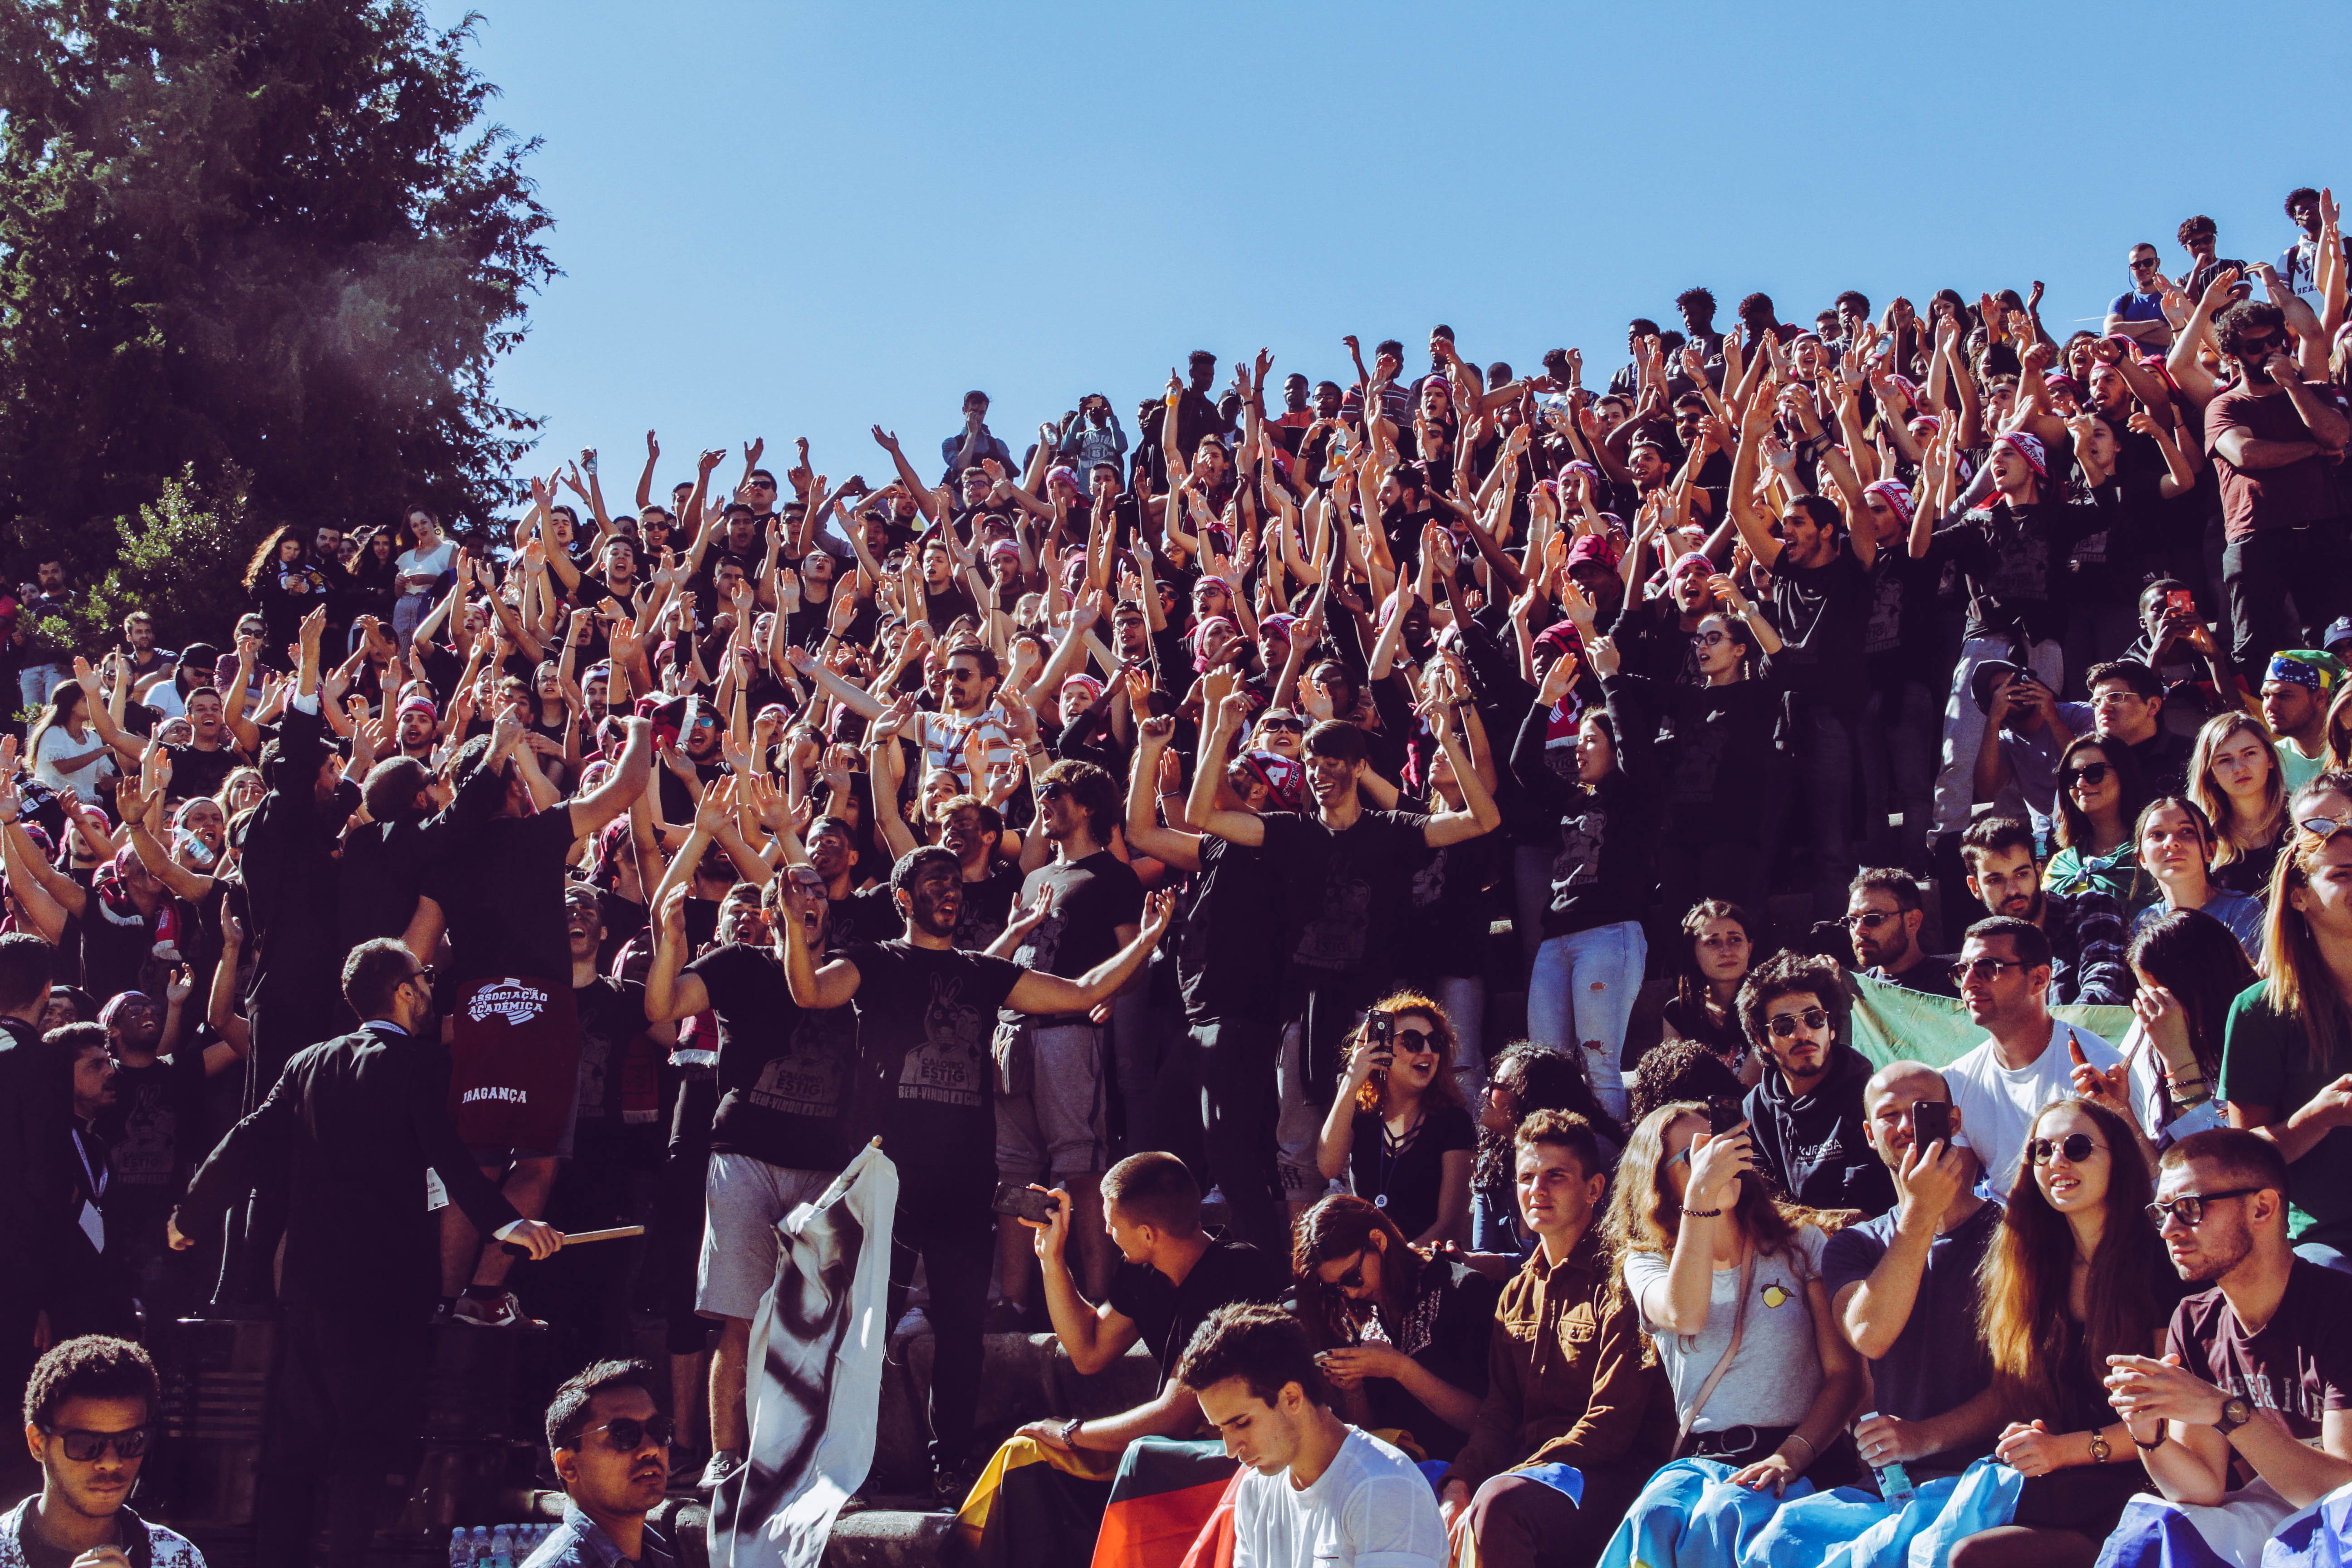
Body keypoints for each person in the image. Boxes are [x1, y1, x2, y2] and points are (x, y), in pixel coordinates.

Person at [780, 844, 1174, 1498]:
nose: (950, 892)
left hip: (965, 1184)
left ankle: (952, 1461)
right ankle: (856, 1463)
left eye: (955, 883)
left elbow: (1084, 990)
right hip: (888, 1182)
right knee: (867, 1327)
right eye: (933, 882)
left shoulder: (983, 974)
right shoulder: (876, 962)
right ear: (902, 899)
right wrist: (796, 928)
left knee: (961, 1334)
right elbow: (809, 990)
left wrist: (1151, 939)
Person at [169, 939, 564, 1568]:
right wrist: (508, 1228)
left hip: (312, 1288)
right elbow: (451, 1158)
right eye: (424, 979)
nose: (430, 989)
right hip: (388, 1293)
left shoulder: (307, 1063)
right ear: (404, 991)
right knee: (366, 1447)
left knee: (294, 1446)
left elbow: (248, 1140)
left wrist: (192, 1212)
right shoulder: (420, 1066)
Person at [642, 867, 849, 1495]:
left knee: (818, 1323)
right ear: (769, 909)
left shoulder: (849, 974)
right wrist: (672, 945)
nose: (805, 899)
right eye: (792, 891)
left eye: (817, 891)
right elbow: (661, 1007)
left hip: (825, 1167)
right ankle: (726, 1456)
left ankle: (808, 1457)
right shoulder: (740, 964)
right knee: (739, 1320)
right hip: (743, 1158)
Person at [1945, 1099, 2184, 1568]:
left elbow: (2174, 1424)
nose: (2057, 1162)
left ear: (2118, 1159)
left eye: (2077, 1147)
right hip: (2070, 1488)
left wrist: (2063, 1450)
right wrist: (2035, 1436)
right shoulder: (2035, 1264)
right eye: (2041, 1150)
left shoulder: (2160, 1261)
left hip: (2153, 1486)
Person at [1442, 1110, 1673, 1568]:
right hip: (1533, 1475)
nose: (1537, 1190)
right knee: (1438, 1497)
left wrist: (1508, 1478)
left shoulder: (1622, 1282)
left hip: (1612, 1478)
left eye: (1556, 1177)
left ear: (1594, 1189)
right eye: (1526, 1177)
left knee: (1501, 1506)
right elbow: (1499, 1410)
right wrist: (1460, 1482)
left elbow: (1610, 1428)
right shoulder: (1515, 1293)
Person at [1605, 1101, 1864, 1486]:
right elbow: (1685, 1314)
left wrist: (1789, 1457)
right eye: (1698, 1155)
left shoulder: (1801, 1243)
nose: (1718, 1162)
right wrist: (1701, 1199)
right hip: (1711, 1464)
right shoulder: (1646, 1262)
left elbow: (1846, 1376)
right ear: (1657, 1179)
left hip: (1805, 1456)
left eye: (1725, 1145)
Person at [2105, 1129, 2352, 1510]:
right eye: (2160, 1213)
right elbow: (2201, 1490)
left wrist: (2225, 1411)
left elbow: (2344, 1497)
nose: (2169, 1230)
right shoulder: (2193, 1321)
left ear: (2263, 1209)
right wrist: (2148, 1434)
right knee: (2153, 1529)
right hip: (2281, 1516)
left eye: (2190, 1208)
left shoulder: (2341, 1309)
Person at [993, 759, 1143, 1301]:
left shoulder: (1114, 875)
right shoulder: (1034, 877)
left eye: (1055, 793)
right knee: (1014, 1174)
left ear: (1088, 806)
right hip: (1013, 1034)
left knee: (1080, 1168)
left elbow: (1137, 957)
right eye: (1040, 792)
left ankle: (1099, 1300)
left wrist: (1114, 998)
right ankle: (1014, 1300)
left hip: (1070, 1034)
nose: (1044, 801)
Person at [1826, 1064, 2003, 1480]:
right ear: (1870, 1135)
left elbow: (2026, 1384)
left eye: (1923, 1111)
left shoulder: (2013, 1236)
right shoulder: (1854, 1245)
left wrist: (1924, 1437)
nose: (1907, 1126)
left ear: (1954, 1121)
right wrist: (1921, 1214)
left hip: (1993, 1478)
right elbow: (1870, 1335)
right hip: (1893, 1486)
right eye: (1890, 1115)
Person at [1176, 1301, 1450, 1568]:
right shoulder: (1254, 1490)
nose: (1231, 1449)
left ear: (1293, 1398)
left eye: (1242, 1423)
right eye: (1219, 1429)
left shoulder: (1383, 1488)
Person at [1512, 635, 1653, 1114]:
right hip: (1556, 942)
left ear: (1614, 749)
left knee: (1600, 1065)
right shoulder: (1573, 801)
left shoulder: (1634, 794)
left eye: (1591, 740)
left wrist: (1611, 678)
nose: (1578, 750)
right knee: (1546, 1068)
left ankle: (1611, 1173)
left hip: (1608, 936)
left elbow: (1635, 743)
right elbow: (1522, 764)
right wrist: (1544, 700)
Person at [2221, 818, 2352, 1272]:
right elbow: (2243, 1160)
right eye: (2342, 875)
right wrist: (2317, 1120)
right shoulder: (2261, 1010)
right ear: (2300, 896)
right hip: (2325, 1242)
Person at [1293, 1194, 1499, 1464]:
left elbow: (1486, 1423)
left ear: (1378, 1241)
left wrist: (1399, 1368)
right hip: (1392, 1473)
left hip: (1461, 1471)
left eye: (1352, 1277)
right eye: (1336, 1288)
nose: (1351, 1293)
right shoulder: (1353, 1309)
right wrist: (1353, 1390)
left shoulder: (1463, 1291)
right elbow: (1368, 1436)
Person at [2206, 300, 2352, 680]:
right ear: (2234, 356)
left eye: (2274, 341)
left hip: (2323, 531)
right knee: (2258, 651)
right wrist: (2314, 450)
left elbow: (2338, 434)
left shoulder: (2314, 391)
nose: (2269, 351)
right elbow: (2247, 454)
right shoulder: (2225, 405)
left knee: (2335, 642)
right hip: (2257, 539)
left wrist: (2292, 384)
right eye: (2255, 347)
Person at [1941, 916, 2136, 1200]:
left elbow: (2133, 1187)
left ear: (2039, 979)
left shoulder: (2100, 1070)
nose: (1969, 982)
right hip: (2001, 1234)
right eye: (1962, 970)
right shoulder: (1958, 1080)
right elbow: (1955, 1205)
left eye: (1987, 969)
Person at [7, 1336, 203, 1568]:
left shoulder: (178, 1558)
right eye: (86, 1444)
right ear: (37, 1443)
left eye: (131, 1442)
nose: (111, 1462)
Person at [1735, 952, 1894, 1215]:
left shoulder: (1870, 1097)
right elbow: (1756, 1207)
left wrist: (1786, 1220)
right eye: (1784, 1026)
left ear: (1831, 1027)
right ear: (1763, 1041)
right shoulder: (1755, 1109)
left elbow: (1866, 1214)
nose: (1803, 1034)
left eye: (1814, 1019)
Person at [1315, 995, 1475, 1248]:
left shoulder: (1454, 1121)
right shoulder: (1361, 1113)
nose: (1427, 1051)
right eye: (1412, 1041)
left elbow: (1449, 1226)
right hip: (1367, 1259)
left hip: (1423, 1264)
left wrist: (1395, 1265)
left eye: (1436, 1042)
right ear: (1382, 1048)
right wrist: (1350, 1082)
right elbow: (1328, 1167)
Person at [1958, 816, 2133, 1006]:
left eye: (2022, 874)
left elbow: (2104, 990)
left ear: (2039, 872)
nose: (2013, 890)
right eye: (1995, 880)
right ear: (1975, 887)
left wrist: (2051, 1034)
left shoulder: (2090, 908)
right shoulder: (1984, 949)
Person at [525, 1359, 677, 1568]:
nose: (651, 1448)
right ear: (568, 1465)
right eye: (624, 1435)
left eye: (658, 1430)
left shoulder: (665, 1558)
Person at [2132, 797, 2266, 964]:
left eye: (2187, 831)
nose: (2171, 843)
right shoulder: (2146, 921)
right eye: (2157, 835)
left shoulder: (2242, 910)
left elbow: (2250, 984)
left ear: (2210, 850)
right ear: (2142, 858)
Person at [2190, 709, 2291, 897]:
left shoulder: (2301, 820)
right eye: (2225, 760)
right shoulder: (2203, 836)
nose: (2239, 768)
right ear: (2210, 773)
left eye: (2250, 754)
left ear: (2269, 758)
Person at [1656, 900, 1759, 1083]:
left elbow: (1747, 1088)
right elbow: (1678, 1084)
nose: (1726, 951)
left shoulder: (1766, 1003)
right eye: (1712, 942)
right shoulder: (1677, 1011)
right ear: (1693, 954)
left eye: (1735, 939)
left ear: (1749, 949)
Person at [2043, 735, 2145, 906]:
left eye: (2094, 772)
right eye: (2072, 776)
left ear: (2124, 775)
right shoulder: (2061, 864)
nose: (2081, 783)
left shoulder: (2151, 853)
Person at [1843, 866, 1956, 997]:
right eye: (1853, 920)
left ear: (1912, 921)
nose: (1859, 930)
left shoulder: (1956, 983)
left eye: (1873, 919)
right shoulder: (1855, 992)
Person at [2260, 651, 2344, 801]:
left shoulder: (2347, 752)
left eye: (2284, 696)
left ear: (2320, 697)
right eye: (2266, 696)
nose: (2270, 706)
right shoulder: (2270, 760)